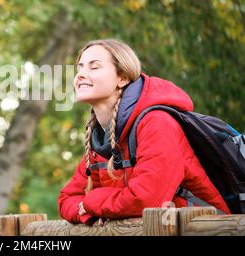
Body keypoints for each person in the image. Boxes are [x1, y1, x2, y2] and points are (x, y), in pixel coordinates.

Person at [57, 39, 231, 226]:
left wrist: (91, 203)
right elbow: (66, 199)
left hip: (206, 228)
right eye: (80, 67)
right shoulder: (100, 139)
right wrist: (92, 211)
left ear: (122, 78)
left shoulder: (157, 122)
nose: (81, 75)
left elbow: (145, 200)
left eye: (94, 67)